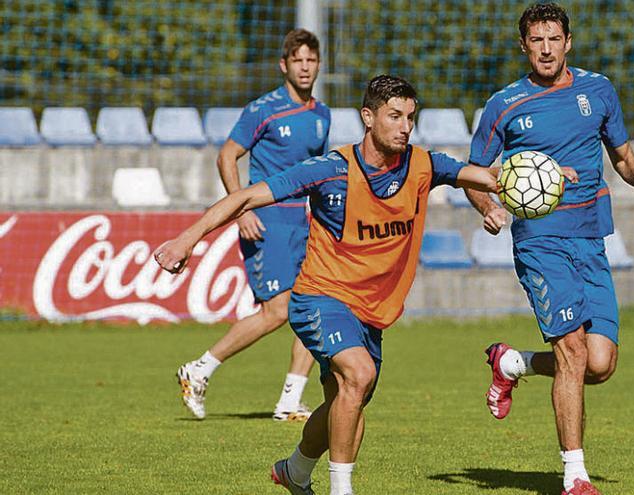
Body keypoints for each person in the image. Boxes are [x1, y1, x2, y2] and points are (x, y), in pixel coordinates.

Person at [155, 75, 548, 495]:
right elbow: (246, 198)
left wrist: (542, 176)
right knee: (357, 376)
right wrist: (187, 239)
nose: (405, 126)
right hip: (319, 299)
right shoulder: (331, 170)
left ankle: (295, 470)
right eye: (395, 116)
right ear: (368, 117)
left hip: (370, 312)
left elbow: (488, 177)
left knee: (348, 401)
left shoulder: (423, 165)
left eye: (411, 117)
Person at [465, 4, 634, 495]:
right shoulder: (505, 104)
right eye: (536, 40)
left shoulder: (597, 90)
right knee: (573, 350)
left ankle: (512, 363)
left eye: (554, 38)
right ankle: (575, 476)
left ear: (568, 41)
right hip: (539, 241)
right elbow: (474, 171)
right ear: (524, 46)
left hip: (591, 238)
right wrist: (487, 207)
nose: (546, 48)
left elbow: (622, 156)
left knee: (599, 363)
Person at [175, 29, 329, 421]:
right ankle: (199, 369)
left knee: (314, 307)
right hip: (268, 221)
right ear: (284, 65)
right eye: (298, 60)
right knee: (277, 311)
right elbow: (227, 156)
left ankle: (290, 402)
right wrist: (241, 210)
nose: (305, 67)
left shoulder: (321, 114)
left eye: (311, 60)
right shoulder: (264, 110)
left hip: (304, 222)